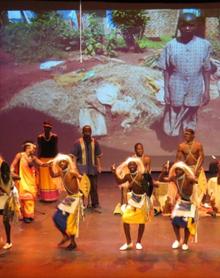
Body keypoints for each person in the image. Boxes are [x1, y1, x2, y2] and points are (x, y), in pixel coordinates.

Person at [158, 12, 212, 136]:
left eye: (191, 25)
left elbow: (206, 69)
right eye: (184, 25)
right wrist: (166, 90)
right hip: (176, 82)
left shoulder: (204, 45)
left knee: (192, 109)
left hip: (195, 83)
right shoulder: (171, 45)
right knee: (175, 108)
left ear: (196, 26)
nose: (187, 28)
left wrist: (207, 91)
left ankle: (188, 134)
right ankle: (173, 135)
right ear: (179, 26)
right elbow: (166, 69)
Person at [111, 159, 153, 251]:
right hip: (133, 200)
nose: (131, 166)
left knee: (141, 221)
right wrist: (114, 173)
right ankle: (129, 242)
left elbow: (148, 188)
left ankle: (138, 242)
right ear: (128, 167)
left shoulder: (141, 176)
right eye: (130, 165)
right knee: (125, 218)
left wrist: (149, 200)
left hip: (142, 200)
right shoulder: (128, 176)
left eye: (133, 165)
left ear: (137, 166)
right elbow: (119, 182)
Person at [48, 154, 83, 251]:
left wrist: (84, 191)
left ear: (68, 162)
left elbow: (82, 179)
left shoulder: (71, 172)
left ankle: (73, 243)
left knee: (70, 221)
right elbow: (52, 175)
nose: (62, 163)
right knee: (56, 217)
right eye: (60, 162)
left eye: (64, 162)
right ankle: (65, 235)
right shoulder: (61, 172)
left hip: (75, 198)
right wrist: (50, 166)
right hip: (69, 198)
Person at [10, 142, 46, 223]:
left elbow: (42, 164)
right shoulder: (20, 155)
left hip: (31, 180)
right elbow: (12, 165)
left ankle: (29, 215)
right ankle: (26, 216)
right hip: (22, 179)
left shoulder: (33, 157)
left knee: (31, 197)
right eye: (33, 148)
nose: (35, 150)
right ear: (28, 148)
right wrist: (12, 172)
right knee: (26, 198)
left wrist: (50, 163)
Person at [71, 125, 102, 213]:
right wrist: (74, 168)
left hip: (92, 169)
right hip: (82, 169)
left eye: (89, 132)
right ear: (83, 132)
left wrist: (99, 166)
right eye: (85, 132)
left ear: (91, 132)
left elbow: (98, 156)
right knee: (82, 188)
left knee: (94, 187)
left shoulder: (95, 142)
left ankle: (95, 204)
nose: (87, 133)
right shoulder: (78, 143)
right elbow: (74, 157)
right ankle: (81, 204)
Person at [168, 161, 199, 251]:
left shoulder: (188, 178)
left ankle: (185, 243)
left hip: (190, 203)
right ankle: (178, 239)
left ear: (184, 170)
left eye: (180, 169)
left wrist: (194, 179)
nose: (177, 171)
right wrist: (163, 171)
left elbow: (195, 181)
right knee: (174, 221)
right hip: (181, 203)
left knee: (187, 224)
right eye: (176, 169)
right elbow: (165, 179)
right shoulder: (175, 178)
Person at [176, 128, 207, 202]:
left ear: (193, 136)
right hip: (187, 169)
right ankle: (187, 200)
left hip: (197, 168)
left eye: (187, 134)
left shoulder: (198, 145)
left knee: (202, 187)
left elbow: (201, 158)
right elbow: (178, 159)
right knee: (183, 184)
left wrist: (196, 171)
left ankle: (199, 202)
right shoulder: (181, 146)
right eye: (185, 134)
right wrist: (177, 169)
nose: (185, 135)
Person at [0, 155, 20, 250]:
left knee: (6, 221)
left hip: (7, 200)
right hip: (2, 199)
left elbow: (17, 177)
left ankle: (8, 241)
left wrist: (13, 183)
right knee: (5, 221)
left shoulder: (8, 174)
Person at [37, 121, 59, 201]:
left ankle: (53, 196)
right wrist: (38, 160)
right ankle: (45, 197)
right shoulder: (40, 137)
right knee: (44, 178)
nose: (46, 129)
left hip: (52, 159)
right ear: (43, 128)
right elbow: (39, 149)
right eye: (45, 127)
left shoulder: (54, 137)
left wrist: (56, 159)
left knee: (52, 177)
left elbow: (55, 149)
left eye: (48, 127)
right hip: (43, 159)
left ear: (50, 128)